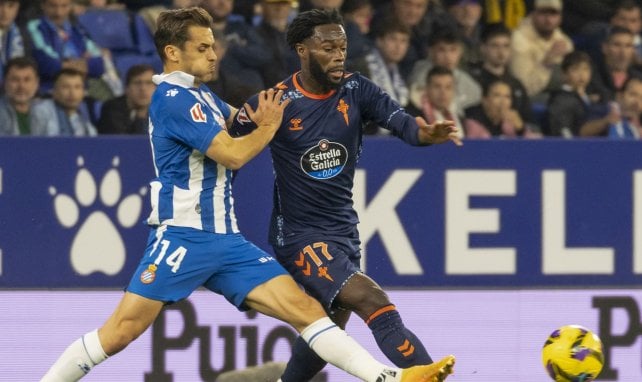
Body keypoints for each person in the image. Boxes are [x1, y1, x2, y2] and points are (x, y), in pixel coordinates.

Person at [40, 7, 455, 382]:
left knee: (309, 312)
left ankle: (391, 378)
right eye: (202, 48)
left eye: (213, 45)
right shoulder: (171, 99)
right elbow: (233, 154)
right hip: (183, 237)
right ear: (172, 53)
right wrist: (270, 125)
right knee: (118, 335)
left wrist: (260, 113)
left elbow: (241, 119)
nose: (213, 54)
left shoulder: (203, 94)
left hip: (227, 241)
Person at [230, 8, 459, 382]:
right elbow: (226, 149)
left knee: (327, 329)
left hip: (344, 232)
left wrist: (424, 135)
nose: (339, 54)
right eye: (328, 47)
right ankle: (421, 374)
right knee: (373, 301)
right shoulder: (274, 103)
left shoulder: (357, 89)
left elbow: (402, 122)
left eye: (343, 46)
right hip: (300, 237)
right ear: (302, 50)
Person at [509, 0, 573, 101]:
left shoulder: (564, 41)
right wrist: (546, 63)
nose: (548, 19)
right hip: (527, 98)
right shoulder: (519, 40)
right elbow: (524, 89)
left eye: (553, 14)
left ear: (560, 18)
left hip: (558, 96)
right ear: (533, 14)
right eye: (543, 13)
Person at [545, 51, 601, 137]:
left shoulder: (589, 97)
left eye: (586, 69)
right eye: (575, 69)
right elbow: (561, 130)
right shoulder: (561, 100)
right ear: (564, 74)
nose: (581, 74)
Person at [463, 78, 540, 138]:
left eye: (507, 97)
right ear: (485, 100)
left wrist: (520, 129)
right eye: (497, 95)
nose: (503, 102)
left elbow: (530, 147)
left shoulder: (508, 123)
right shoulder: (472, 121)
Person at [0, 56, 57, 135]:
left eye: (27, 80)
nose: (21, 86)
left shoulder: (48, 112)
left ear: (37, 83)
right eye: (15, 79)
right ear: (4, 83)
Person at [405, 66, 464, 138]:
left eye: (448, 87)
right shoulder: (412, 118)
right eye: (437, 86)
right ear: (427, 89)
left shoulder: (460, 118)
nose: (443, 92)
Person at [97, 64, 155, 134]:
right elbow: (125, 142)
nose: (143, 88)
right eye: (137, 83)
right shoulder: (112, 109)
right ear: (127, 88)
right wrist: (140, 116)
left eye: (148, 83)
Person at [40, 67, 97, 136]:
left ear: (83, 92)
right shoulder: (41, 112)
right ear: (54, 91)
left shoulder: (88, 128)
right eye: (66, 87)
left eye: (77, 87)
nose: (72, 93)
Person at [0, 0, 25, 87]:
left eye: (11, 6)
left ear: (17, 8)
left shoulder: (23, 34)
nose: (5, 12)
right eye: (0, 5)